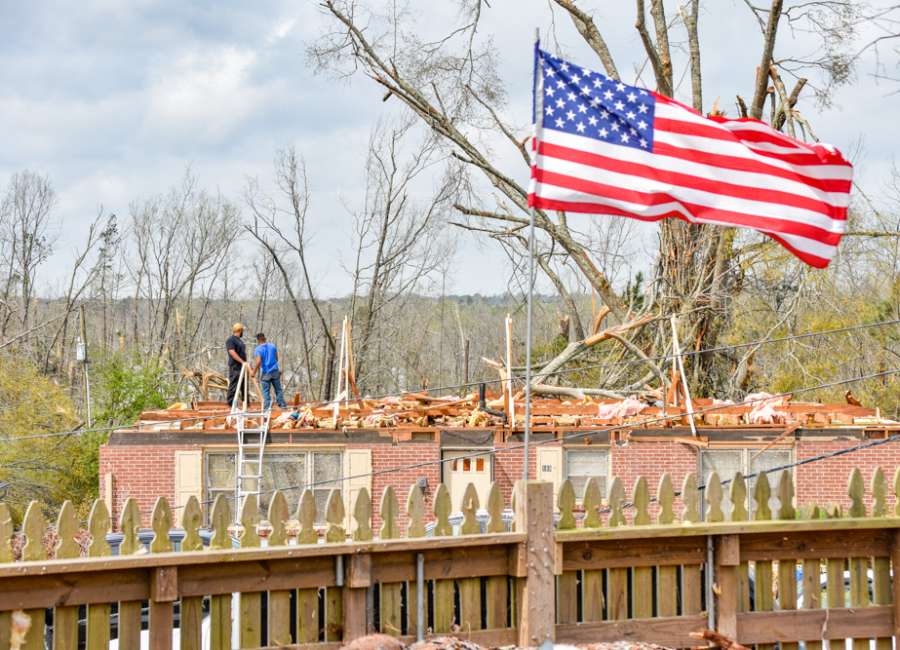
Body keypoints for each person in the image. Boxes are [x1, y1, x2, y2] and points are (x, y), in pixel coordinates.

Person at [251, 332, 287, 410]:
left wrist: (253, 372)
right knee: (278, 389)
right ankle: (282, 405)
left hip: (266, 373)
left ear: (258, 340)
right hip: (275, 371)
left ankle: (267, 408)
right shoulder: (272, 346)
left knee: (266, 391)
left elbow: (258, 362)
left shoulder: (258, 349)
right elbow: (277, 358)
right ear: (265, 338)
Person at [225, 323, 248, 406]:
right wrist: (242, 361)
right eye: (242, 331)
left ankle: (245, 403)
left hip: (242, 367)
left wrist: (245, 363)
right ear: (239, 330)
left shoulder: (240, 341)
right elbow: (232, 352)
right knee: (234, 384)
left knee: (244, 385)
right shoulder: (231, 340)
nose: (243, 332)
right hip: (235, 366)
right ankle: (230, 404)